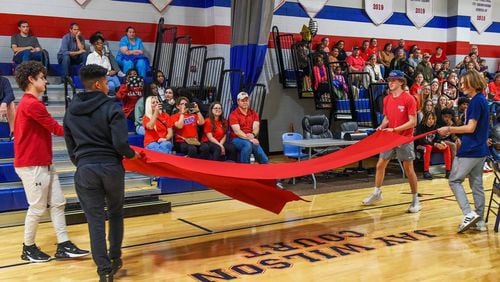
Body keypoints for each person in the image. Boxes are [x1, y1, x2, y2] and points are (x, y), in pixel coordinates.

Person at [63, 64, 140, 281]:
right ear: (98, 84)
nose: (108, 85)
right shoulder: (111, 107)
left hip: (85, 169)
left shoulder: (71, 111)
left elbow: (70, 146)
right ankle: (115, 257)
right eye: (106, 82)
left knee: (95, 220)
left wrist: (82, 162)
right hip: (110, 168)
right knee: (115, 213)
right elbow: (120, 144)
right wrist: (132, 155)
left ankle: (104, 271)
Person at [13, 61, 89, 263]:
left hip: (43, 163)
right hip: (32, 165)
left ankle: (63, 244)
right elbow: (57, 129)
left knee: (58, 203)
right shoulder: (32, 104)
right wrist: (87, 133)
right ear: (31, 79)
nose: (46, 81)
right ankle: (28, 248)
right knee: (37, 208)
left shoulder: (30, 103)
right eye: (42, 77)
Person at [437, 70, 489, 233]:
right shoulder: (482, 100)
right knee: (477, 185)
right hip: (480, 150)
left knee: (454, 180)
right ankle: (479, 222)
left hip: (470, 150)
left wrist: (449, 129)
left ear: (472, 82)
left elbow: (470, 127)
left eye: (464, 82)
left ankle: (468, 214)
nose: (461, 85)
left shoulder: (474, 102)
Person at [362, 70, 420, 213]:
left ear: (401, 82)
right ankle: (377, 193)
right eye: (389, 80)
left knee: (409, 169)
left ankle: (415, 200)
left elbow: (413, 122)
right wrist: (381, 126)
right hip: (389, 137)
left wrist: (394, 130)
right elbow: (387, 118)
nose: (390, 82)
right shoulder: (387, 99)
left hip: (404, 138)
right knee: (380, 164)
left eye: (394, 80)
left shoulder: (409, 99)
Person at [415, 112, 452, 180]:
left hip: (432, 145)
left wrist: (441, 142)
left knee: (446, 147)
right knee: (428, 147)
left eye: (432, 119)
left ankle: (448, 171)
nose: (431, 120)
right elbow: (422, 141)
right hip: (420, 146)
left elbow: (437, 138)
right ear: (425, 119)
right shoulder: (420, 127)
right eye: (429, 119)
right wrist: (435, 144)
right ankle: (426, 171)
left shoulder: (435, 126)